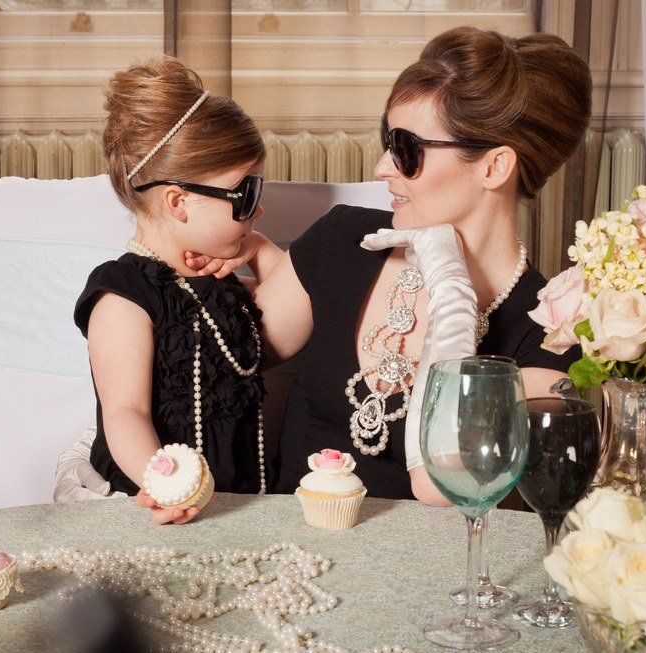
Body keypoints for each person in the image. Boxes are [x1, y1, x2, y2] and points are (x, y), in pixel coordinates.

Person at [252, 26, 592, 504]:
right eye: (387, 139)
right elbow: (220, 357)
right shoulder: (345, 240)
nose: (382, 167)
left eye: (407, 148)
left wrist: (450, 285)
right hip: (282, 544)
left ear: (494, 167)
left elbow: (443, 484)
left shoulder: (550, 331)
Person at [72, 57, 283, 525]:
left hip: (242, 504)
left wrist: (261, 249)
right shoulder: (123, 298)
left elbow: (299, 307)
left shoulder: (222, 284)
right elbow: (125, 411)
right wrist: (163, 486)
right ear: (178, 202)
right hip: (158, 505)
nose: (259, 209)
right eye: (245, 194)